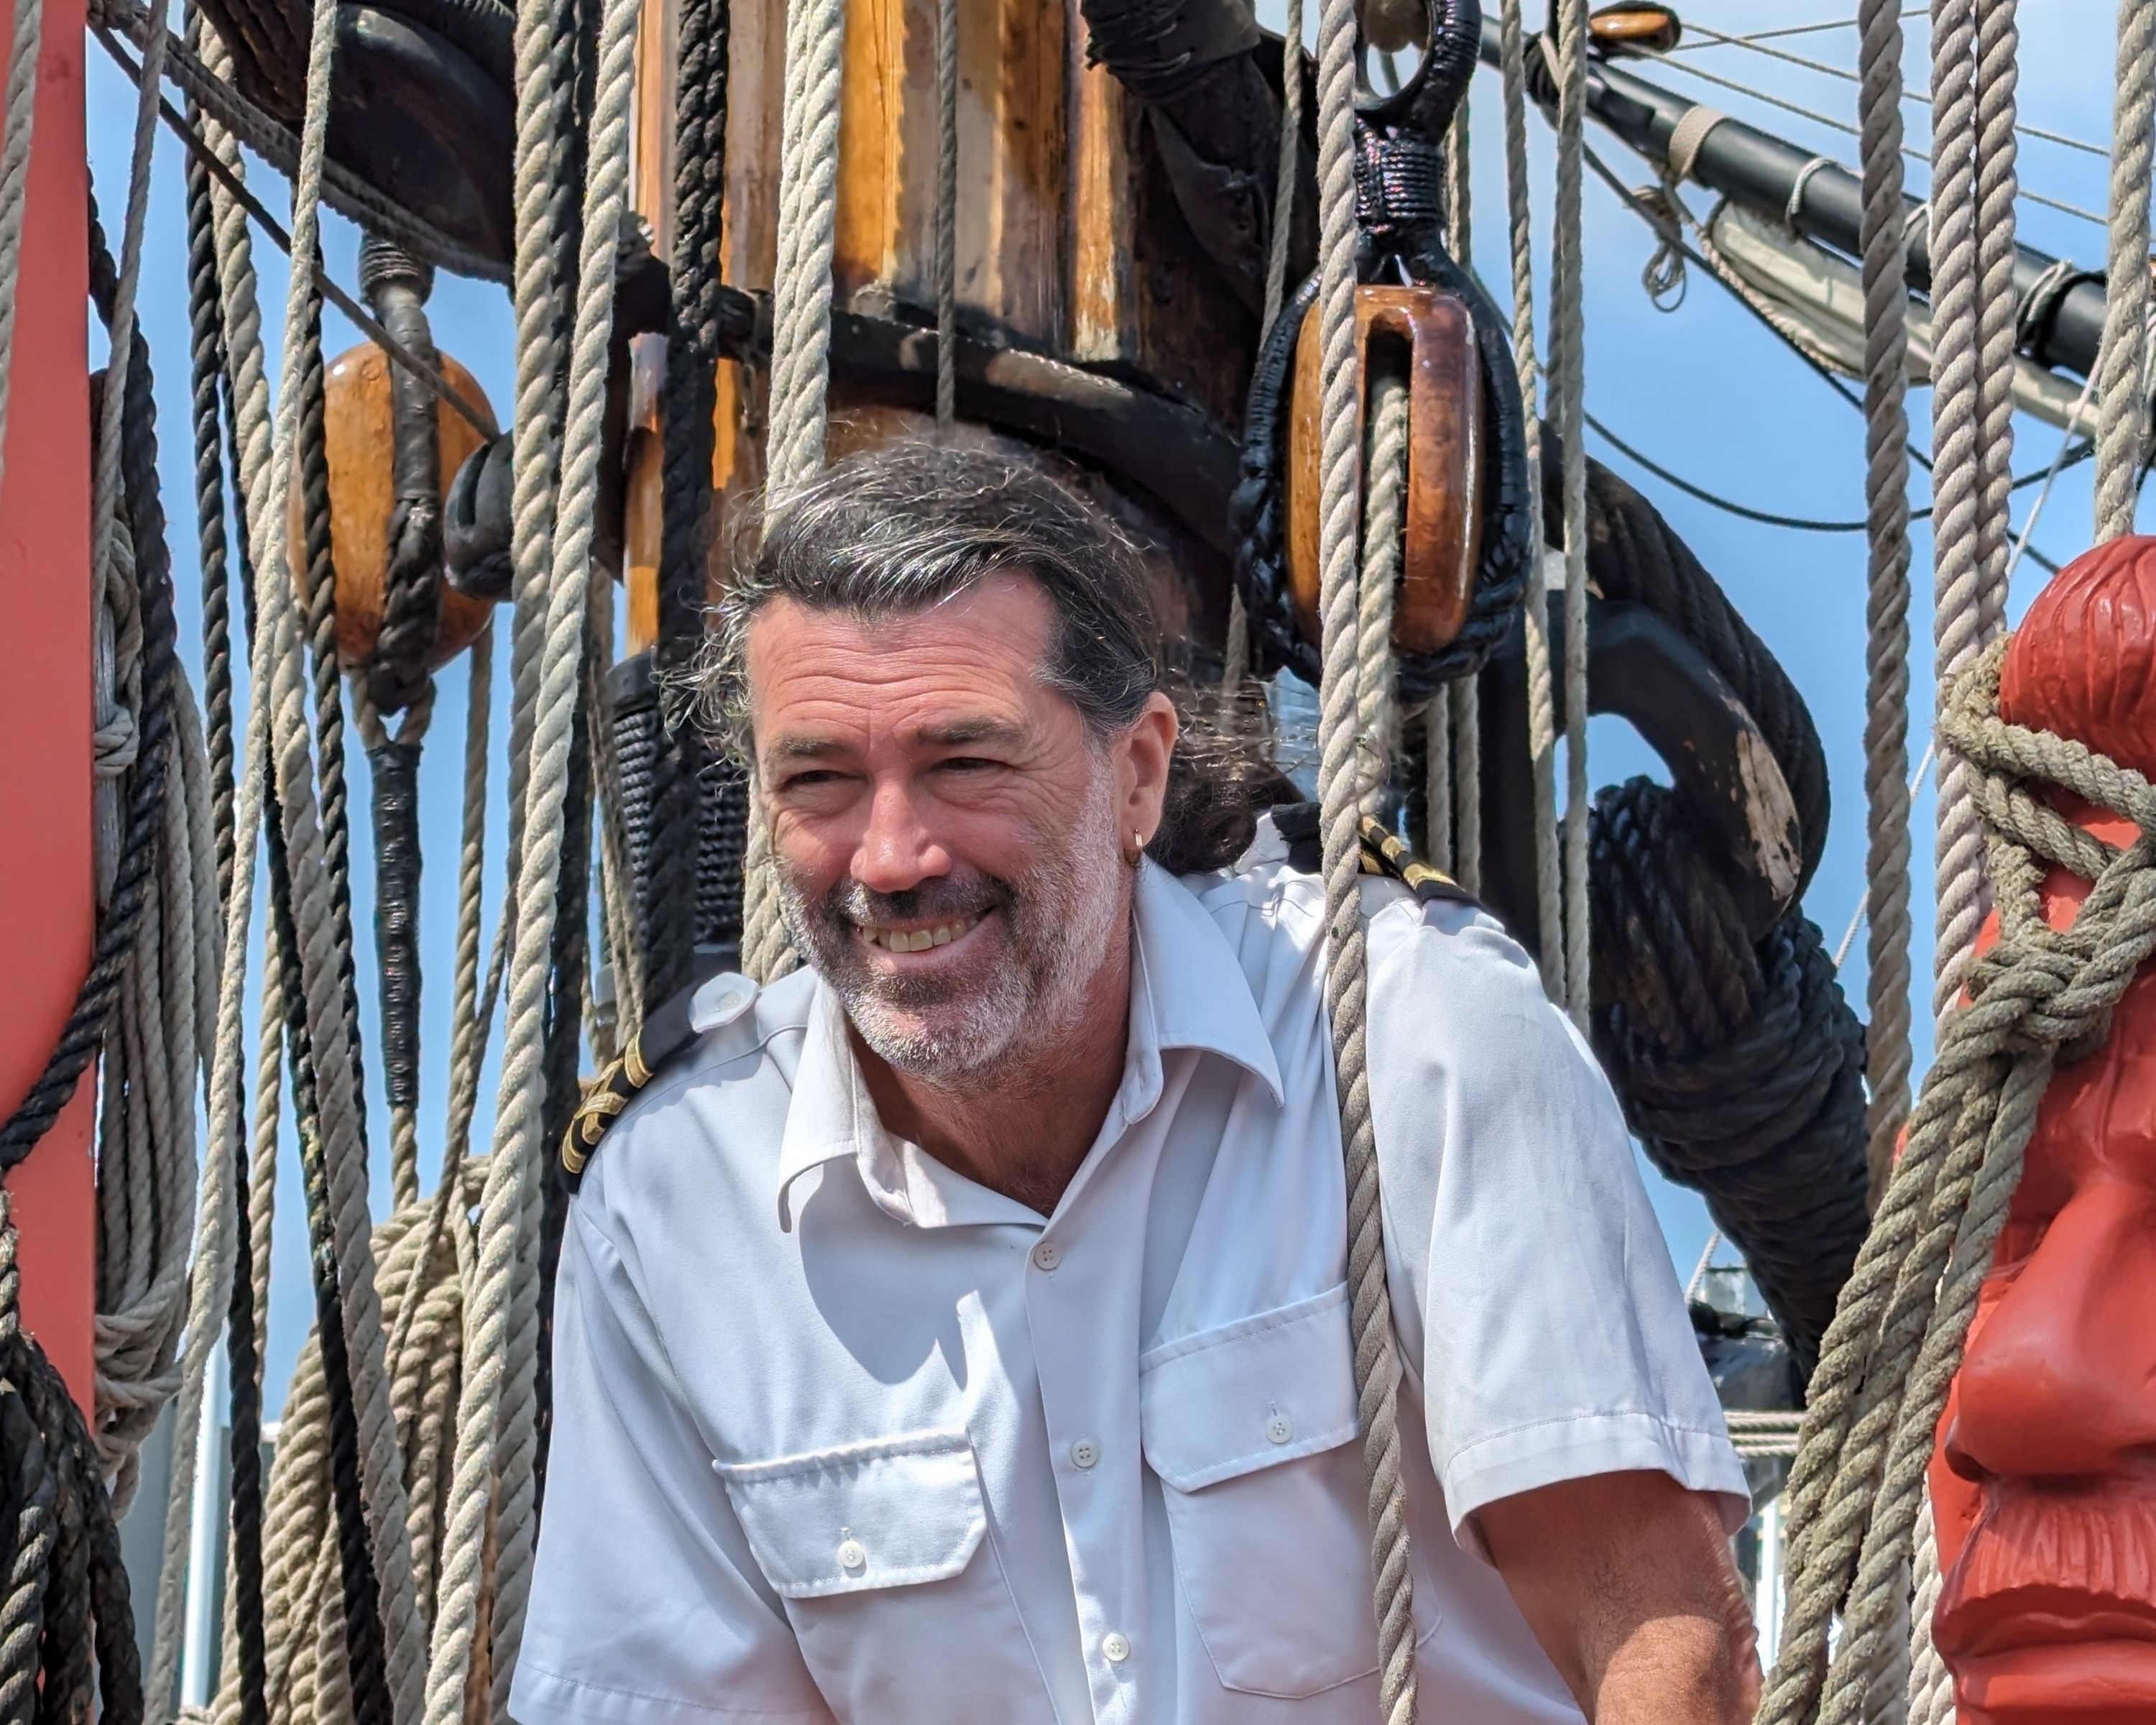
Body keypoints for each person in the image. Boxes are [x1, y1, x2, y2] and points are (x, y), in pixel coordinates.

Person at [511, 441, 1758, 1725]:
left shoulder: (1407, 1037)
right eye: (820, 781)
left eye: (965, 763)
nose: (888, 857)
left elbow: (1660, 1643)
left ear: (1138, 774)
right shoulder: (671, 1199)